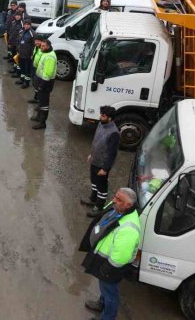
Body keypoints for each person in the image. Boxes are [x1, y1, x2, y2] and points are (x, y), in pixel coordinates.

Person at [79, 187, 141, 320]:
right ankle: (101, 304)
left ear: (128, 205)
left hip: (110, 266)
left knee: (110, 293)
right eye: (115, 196)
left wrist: (106, 270)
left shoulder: (129, 228)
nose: (113, 200)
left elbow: (120, 258)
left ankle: (107, 317)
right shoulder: (120, 209)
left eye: (119, 199)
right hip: (104, 260)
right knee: (105, 289)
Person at [81, 106, 121, 217]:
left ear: (110, 118)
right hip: (94, 160)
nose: (100, 116)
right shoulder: (100, 124)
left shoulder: (114, 133)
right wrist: (91, 155)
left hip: (102, 165)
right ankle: (93, 199)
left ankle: (99, 207)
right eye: (101, 114)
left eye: (103, 115)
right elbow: (97, 142)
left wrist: (105, 169)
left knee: (102, 187)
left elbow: (112, 154)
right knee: (94, 182)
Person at [30, 38, 57, 130]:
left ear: (48, 46)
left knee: (44, 105)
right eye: (41, 45)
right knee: (41, 102)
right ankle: (39, 117)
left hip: (45, 83)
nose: (41, 47)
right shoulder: (45, 53)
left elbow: (47, 74)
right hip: (41, 81)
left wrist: (41, 85)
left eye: (43, 46)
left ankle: (42, 123)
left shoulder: (50, 57)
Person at [15, 20, 35, 88]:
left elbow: (34, 46)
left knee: (27, 70)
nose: (26, 25)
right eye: (25, 24)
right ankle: (22, 79)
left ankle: (26, 83)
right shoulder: (21, 31)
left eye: (27, 24)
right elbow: (18, 41)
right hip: (21, 54)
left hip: (28, 55)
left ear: (30, 25)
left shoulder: (32, 33)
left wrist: (32, 55)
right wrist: (18, 50)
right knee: (22, 68)